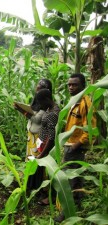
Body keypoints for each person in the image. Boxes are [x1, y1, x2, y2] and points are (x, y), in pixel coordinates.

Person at [55, 73, 96, 223]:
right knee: (75, 177)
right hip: (69, 144)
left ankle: (66, 212)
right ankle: (76, 204)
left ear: (83, 86)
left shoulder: (86, 103)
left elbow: (90, 128)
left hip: (75, 147)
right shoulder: (73, 102)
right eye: (69, 85)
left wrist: (76, 145)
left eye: (75, 85)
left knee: (69, 179)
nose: (71, 87)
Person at [14, 78, 53, 161]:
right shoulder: (37, 100)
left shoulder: (45, 103)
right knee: (30, 157)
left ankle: (36, 174)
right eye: (37, 89)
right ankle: (31, 173)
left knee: (36, 158)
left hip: (39, 136)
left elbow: (37, 119)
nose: (37, 92)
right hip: (31, 134)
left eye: (40, 89)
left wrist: (22, 110)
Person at [33, 89, 60, 205]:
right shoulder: (50, 109)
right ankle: (44, 192)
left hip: (47, 148)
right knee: (44, 172)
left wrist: (43, 153)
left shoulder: (53, 114)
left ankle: (50, 197)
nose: (40, 105)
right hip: (42, 144)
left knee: (49, 172)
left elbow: (51, 136)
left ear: (47, 100)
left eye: (41, 102)